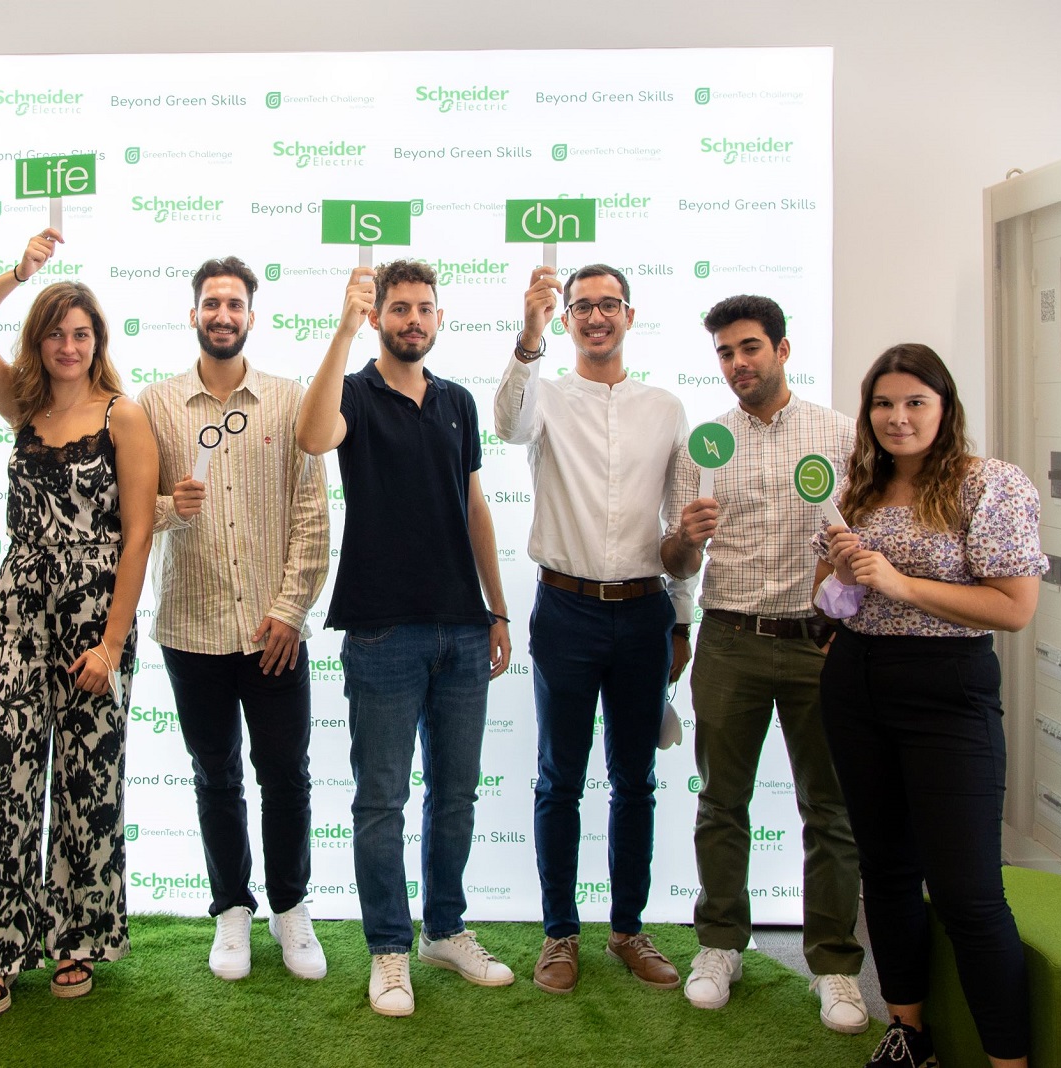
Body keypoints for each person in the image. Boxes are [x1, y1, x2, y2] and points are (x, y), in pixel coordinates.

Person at [0, 229, 157, 1016]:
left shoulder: (124, 416)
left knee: (86, 779)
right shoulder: (24, 407)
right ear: (38, 342)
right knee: (8, 776)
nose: (69, 346)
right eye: (55, 333)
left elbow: (138, 534)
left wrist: (111, 642)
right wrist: (18, 271)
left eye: (81, 333)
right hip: (19, 608)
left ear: (98, 340)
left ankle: (78, 939)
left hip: (97, 613)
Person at [295, 260, 514, 1017]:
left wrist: (498, 609)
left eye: (423, 308)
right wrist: (341, 329)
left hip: (464, 629)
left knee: (455, 795)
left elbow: (475, 506)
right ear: (378, 317)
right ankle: (389, 949)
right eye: (398, 308)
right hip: (382, 631)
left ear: (438, 319)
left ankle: (444, 931)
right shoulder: (354, 393)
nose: (412, 319)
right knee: (381, 801)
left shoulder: (457, 402)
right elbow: (312, 435)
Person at [816, 343, 1043, 1068]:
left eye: (915, 401)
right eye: (883, 403)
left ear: (945, 407)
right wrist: (840, 574)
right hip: (857, 682)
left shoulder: (990, 484)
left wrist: (898, 583)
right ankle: (908, 1032)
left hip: (949, 688)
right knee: (884, 872)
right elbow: (830, 597)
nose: (898, 417)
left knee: (966, 890)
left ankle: (1008, 1059)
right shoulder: (858, 484)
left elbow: (1014, 608)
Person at [659, 295, 867, 1032]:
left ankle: (836, 965)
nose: (737, 363)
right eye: (725, 352)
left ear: (782, 349)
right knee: (721, 803)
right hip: (729, 639)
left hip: (820, 642)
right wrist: (686, 539)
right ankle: (721, 945)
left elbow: (871, 541)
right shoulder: (706, 445)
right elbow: (676, 562)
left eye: (749, 347)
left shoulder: (843, 436)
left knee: (831, 810)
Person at [493, 264, 693, 996]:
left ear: (630, 316)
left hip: (644, 611)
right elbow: (506, 424)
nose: (597, 317)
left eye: (610, 305)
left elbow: (681, 531)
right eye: (583, 306)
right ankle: (560, 933)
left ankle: (628, 928)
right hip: (566, 610)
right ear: (568, 318)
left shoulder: (666, 409)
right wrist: (529, 335)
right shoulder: (544, 396)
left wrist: (682, 618)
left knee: (636, 779)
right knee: (560, 779)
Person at [138, 256, 330, 982]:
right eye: (212, 303)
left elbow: (312, 512)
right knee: (214, 774)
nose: (223, 315)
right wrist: (169, 507)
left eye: (235, 304)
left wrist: (290, 609)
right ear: (193, 314)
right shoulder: (156, 405)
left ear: (251, 315)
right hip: (192, 627)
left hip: (272, 632)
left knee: (286, 775)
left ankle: (291, 907)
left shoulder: (287, 400)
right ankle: (231, 910)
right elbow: (133, 509)